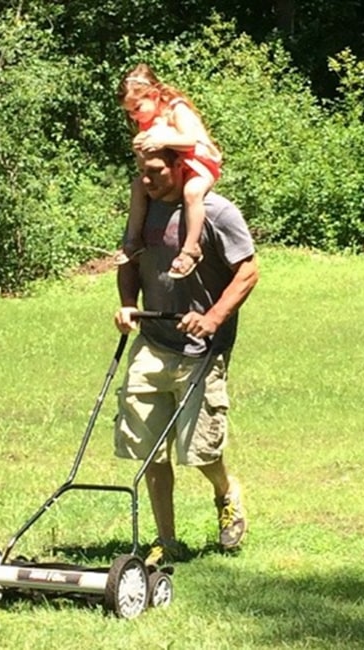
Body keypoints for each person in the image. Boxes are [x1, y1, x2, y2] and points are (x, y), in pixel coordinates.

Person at [113, 147, 258, 566]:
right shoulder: (144, 211)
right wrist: (126, 303)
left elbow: (248, 271)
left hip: (201, 349)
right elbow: (129, 257)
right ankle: (166, 540)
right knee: (150, 449)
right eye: (141, 172)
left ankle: (226, 491)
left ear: (181, 167)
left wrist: (212, 318)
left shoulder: (217, 212)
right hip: (154, 342)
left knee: (201, 450)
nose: (147, 180)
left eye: (156, 172)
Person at [116, 63, 222, 279]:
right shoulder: (147, 119)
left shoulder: (177, 109)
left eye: (137, 108)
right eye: (129, 113)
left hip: (199, 165)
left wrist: (162, 139)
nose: (135, 117)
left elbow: (192, 140)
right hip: (172, 170)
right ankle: (133, 241)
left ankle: (191, 248)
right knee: (138, 186)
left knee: (192, 193)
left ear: (154, 95)